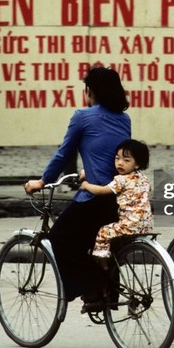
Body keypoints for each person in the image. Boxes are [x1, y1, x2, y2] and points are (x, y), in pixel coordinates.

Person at [25, 66, 131, 304]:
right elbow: (115, 157)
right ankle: (105, 293)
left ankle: (95, 285)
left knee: (59, 239)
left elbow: (64, 155)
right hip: (118, 197)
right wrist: (88, 171)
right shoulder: (124, 119)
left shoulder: (82, 117)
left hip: (94, 198)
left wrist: (42, 181)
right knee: (97, 245)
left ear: (90, 92)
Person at [81, 139, 153, 271]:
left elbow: (102, 191)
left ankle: (103, 264)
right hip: (146, 225)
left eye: (126, 160)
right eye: (117, 158)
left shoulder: (121, 180)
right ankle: (118, 258)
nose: (120, 163)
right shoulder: (144, 179)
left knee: (104, 232)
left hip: (129, 225)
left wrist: (85, 185)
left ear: (137, 164)